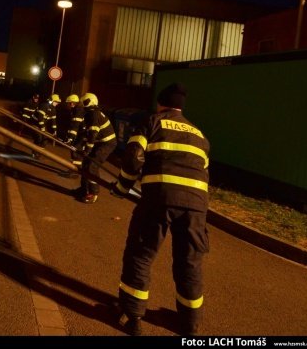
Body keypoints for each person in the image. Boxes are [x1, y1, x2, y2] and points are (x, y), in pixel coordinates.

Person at [110, 83, 210, 336]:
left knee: (141, 254)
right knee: (189, 263)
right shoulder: (199, 134)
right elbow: (204, 170)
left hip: (159, 199)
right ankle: (189, 324)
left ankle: (132, 316)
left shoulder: (151, 122)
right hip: (196, 206)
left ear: (161, 103)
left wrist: (122, 187)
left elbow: (133, 157)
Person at [73, 92, 116, 203]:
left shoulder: (93, 114)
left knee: (92, 166)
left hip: (107, 144)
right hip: (100, 143)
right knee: (85, 164)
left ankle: (93, 193)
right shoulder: (90, 113)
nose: (82, 104)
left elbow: (93, 134)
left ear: (90, 102)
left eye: (84, 102)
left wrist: (87, 150)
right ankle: (84, 190)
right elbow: (87, 134)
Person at [30, 93, 60, 158]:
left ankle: (39, 153)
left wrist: (55, 131)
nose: (57, 103)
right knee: (39, 138)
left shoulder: (53, 109)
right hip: (35, 124)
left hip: (42, 125)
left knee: (45, 140)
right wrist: (42, 128)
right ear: (52, 101)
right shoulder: (44, 106)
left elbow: (53, 121)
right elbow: (40, 118)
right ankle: (34, 152)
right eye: (56, 102)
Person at [64, 94, 84, 170]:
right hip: (80, 134)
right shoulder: (76, 109)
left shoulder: (78, 110)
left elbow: (75, 126)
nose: (69, 105)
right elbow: (72, 126)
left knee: (76, 151)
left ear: (72, 102)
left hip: (82, 135)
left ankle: (75, 171)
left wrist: (70, 138)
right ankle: (73, 169)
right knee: (74, 151)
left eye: (69, 103)